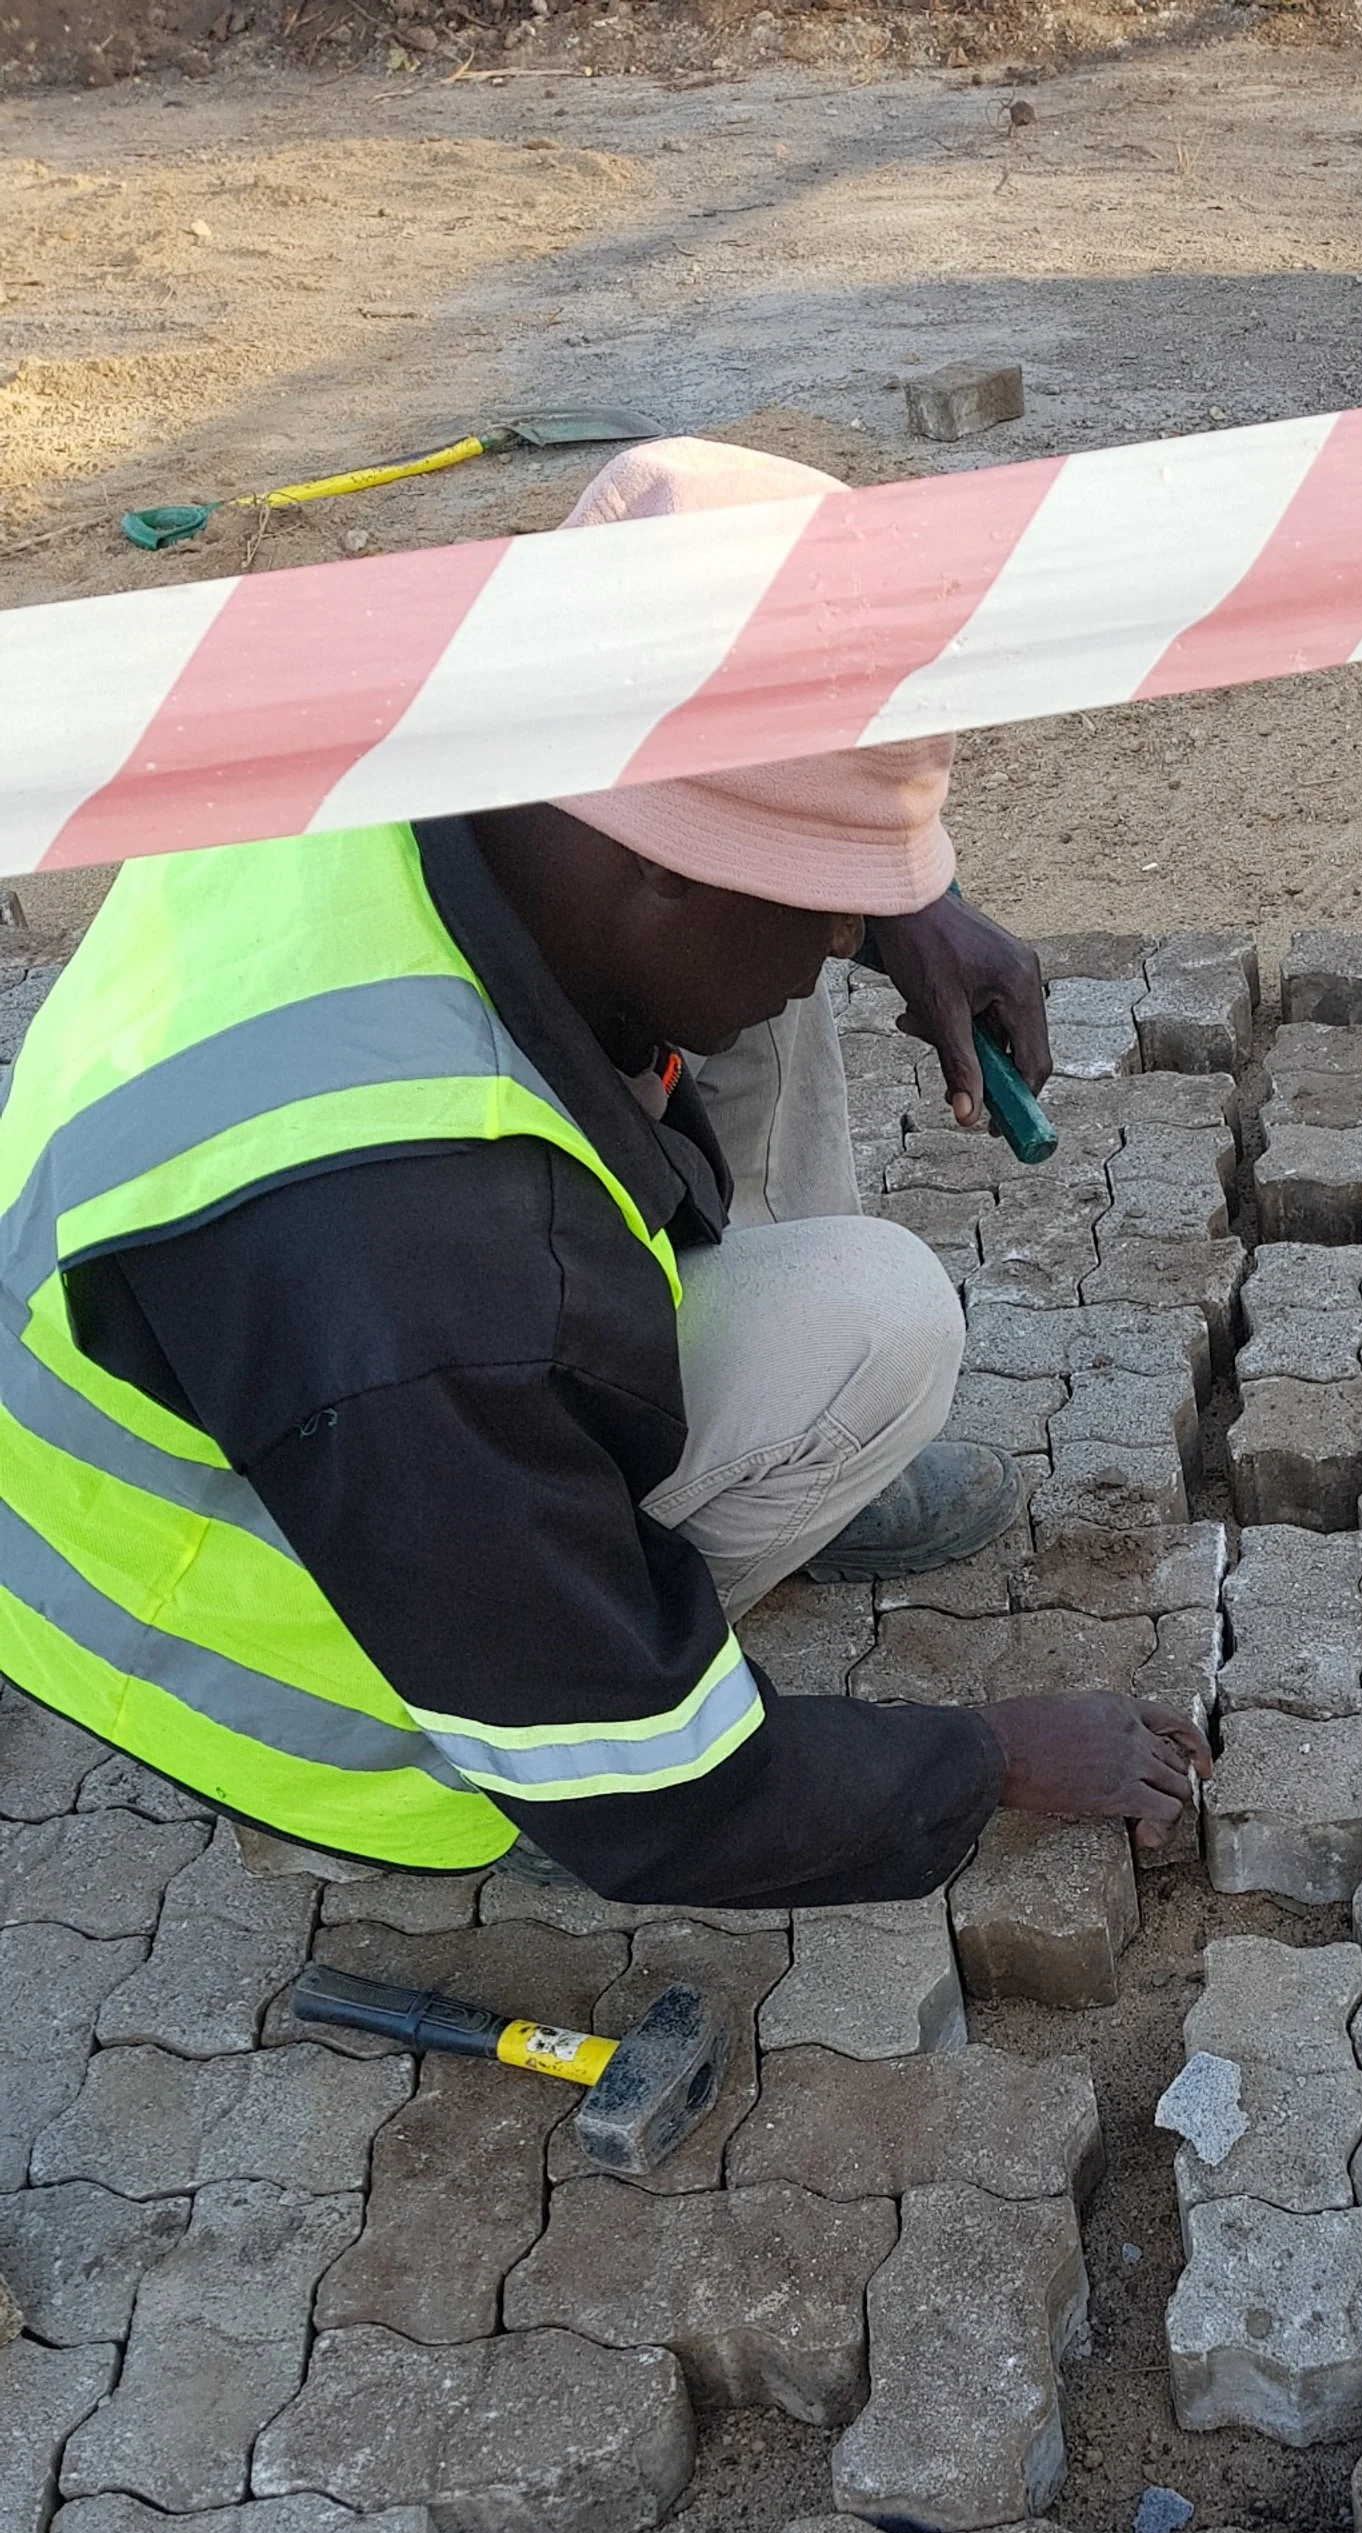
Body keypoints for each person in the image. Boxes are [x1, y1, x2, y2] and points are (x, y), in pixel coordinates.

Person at [0, 438, 1209, 1909]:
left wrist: (903, 900)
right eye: (824, 910)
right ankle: (508, 1713)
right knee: (877, 1320)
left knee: (761, 1017)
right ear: (668, 865)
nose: (845, 942)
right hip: (263, 1666)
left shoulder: (422, 701)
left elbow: (744, 851)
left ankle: (638, 1495)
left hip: (256, 1370)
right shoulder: (431, 1270)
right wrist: (993, 1757)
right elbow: (668, 1809)